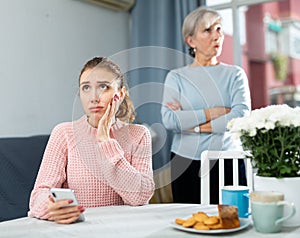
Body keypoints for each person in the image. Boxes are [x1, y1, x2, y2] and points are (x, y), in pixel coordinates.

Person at [29, 57, 155, 224]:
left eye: (103, 87)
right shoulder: (64, 133)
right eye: (86, 88)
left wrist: (105, 140)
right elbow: (38, 195)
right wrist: (51, 207)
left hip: (121, 230)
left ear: (121, 94)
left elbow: (140, 196)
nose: (94, 97)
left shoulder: (139, 134)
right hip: (75, 230)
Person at [161, 7, 251, 204]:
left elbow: (241, 116)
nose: (216, 36)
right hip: (184, 162)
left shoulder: (235, 75)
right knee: (189, 223)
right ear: (191, 40)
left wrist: (194, 125)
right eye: (208, 30)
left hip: (228, 160)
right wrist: (216, 112)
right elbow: (170, 119)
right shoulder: (176, 77)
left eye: (219, 29)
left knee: (233, 220)